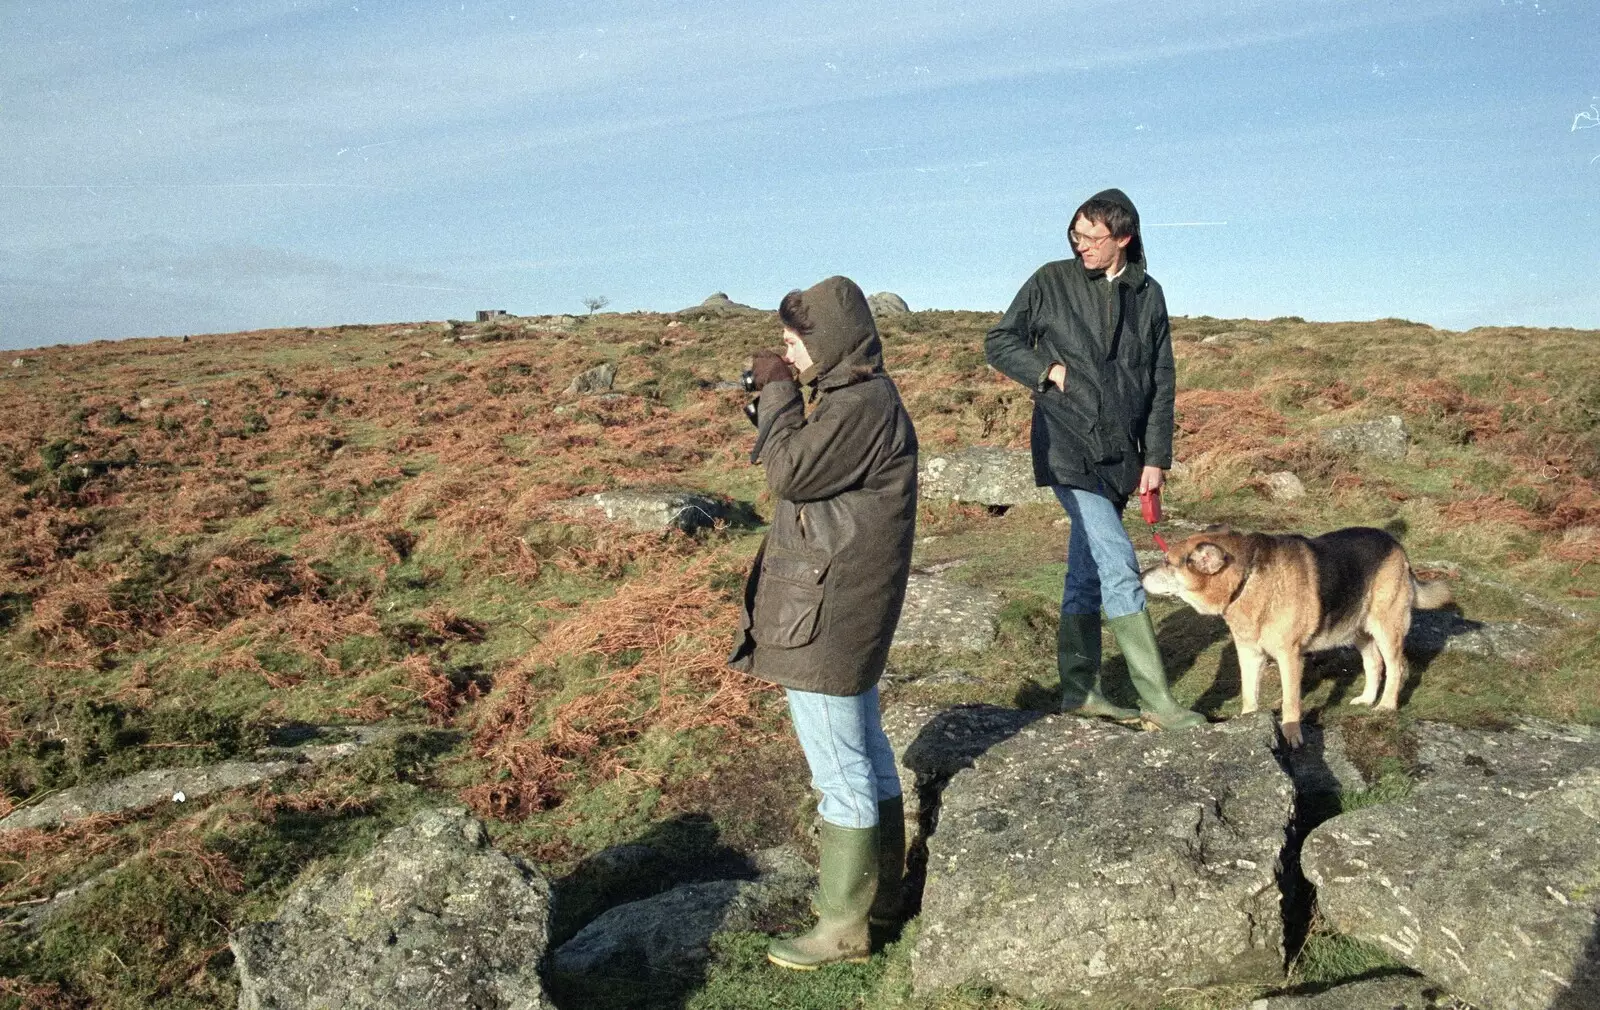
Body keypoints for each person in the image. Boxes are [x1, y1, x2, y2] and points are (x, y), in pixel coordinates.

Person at [727, 275, 918, 969]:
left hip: (827, 610)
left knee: (839, 768)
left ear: (827, 341)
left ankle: (843, 927)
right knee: (865, 751)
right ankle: (884, 896)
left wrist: (776, 391)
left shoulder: (859, 403)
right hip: (840, 603)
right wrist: (780, 398)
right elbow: (808, 465)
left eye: (792, 342)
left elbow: (791, 474)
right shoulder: (856, 397)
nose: (784, 353)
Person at [984, 189, 1204, 730]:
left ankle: (1080, 692)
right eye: (1074, 234)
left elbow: (1160, 383)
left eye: (1090, 236)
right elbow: (999, 341)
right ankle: (1159, 702)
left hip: (1120, 456)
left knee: (1083, 575)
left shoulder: (1149, 295)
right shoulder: (1050, 280)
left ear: (1123, 238)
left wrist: (1155, 457)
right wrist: (1047, 371)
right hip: (1065, 443)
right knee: (1118, 563)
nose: (1079, 244)